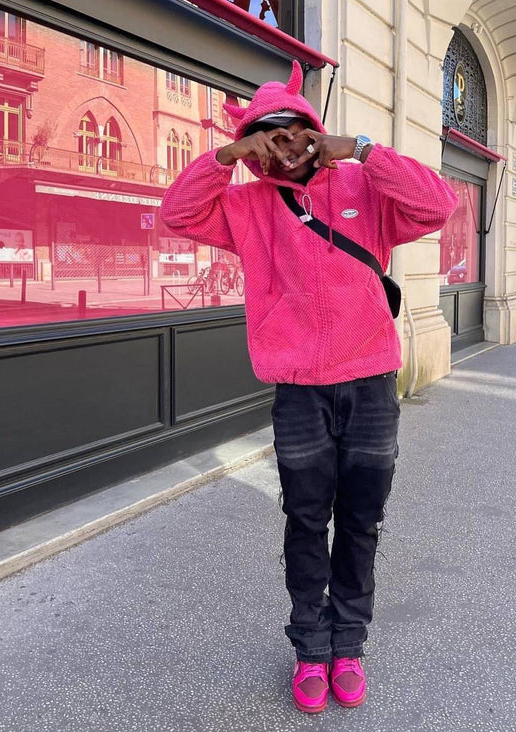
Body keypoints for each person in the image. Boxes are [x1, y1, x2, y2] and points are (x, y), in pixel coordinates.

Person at [160, 61, 457, 713]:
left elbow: (439, 206)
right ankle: (309, 647)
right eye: (268, 136)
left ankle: (348, 644)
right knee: (305, 519)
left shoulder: (362, 185)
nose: (286, 145)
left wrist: (365, 150)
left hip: (370, 383)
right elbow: (177, 214)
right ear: (254, 146)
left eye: (294, 130)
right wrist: (225, 157)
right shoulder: (246, 206)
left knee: (361, 519)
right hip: (299, 390)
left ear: (314, 130)